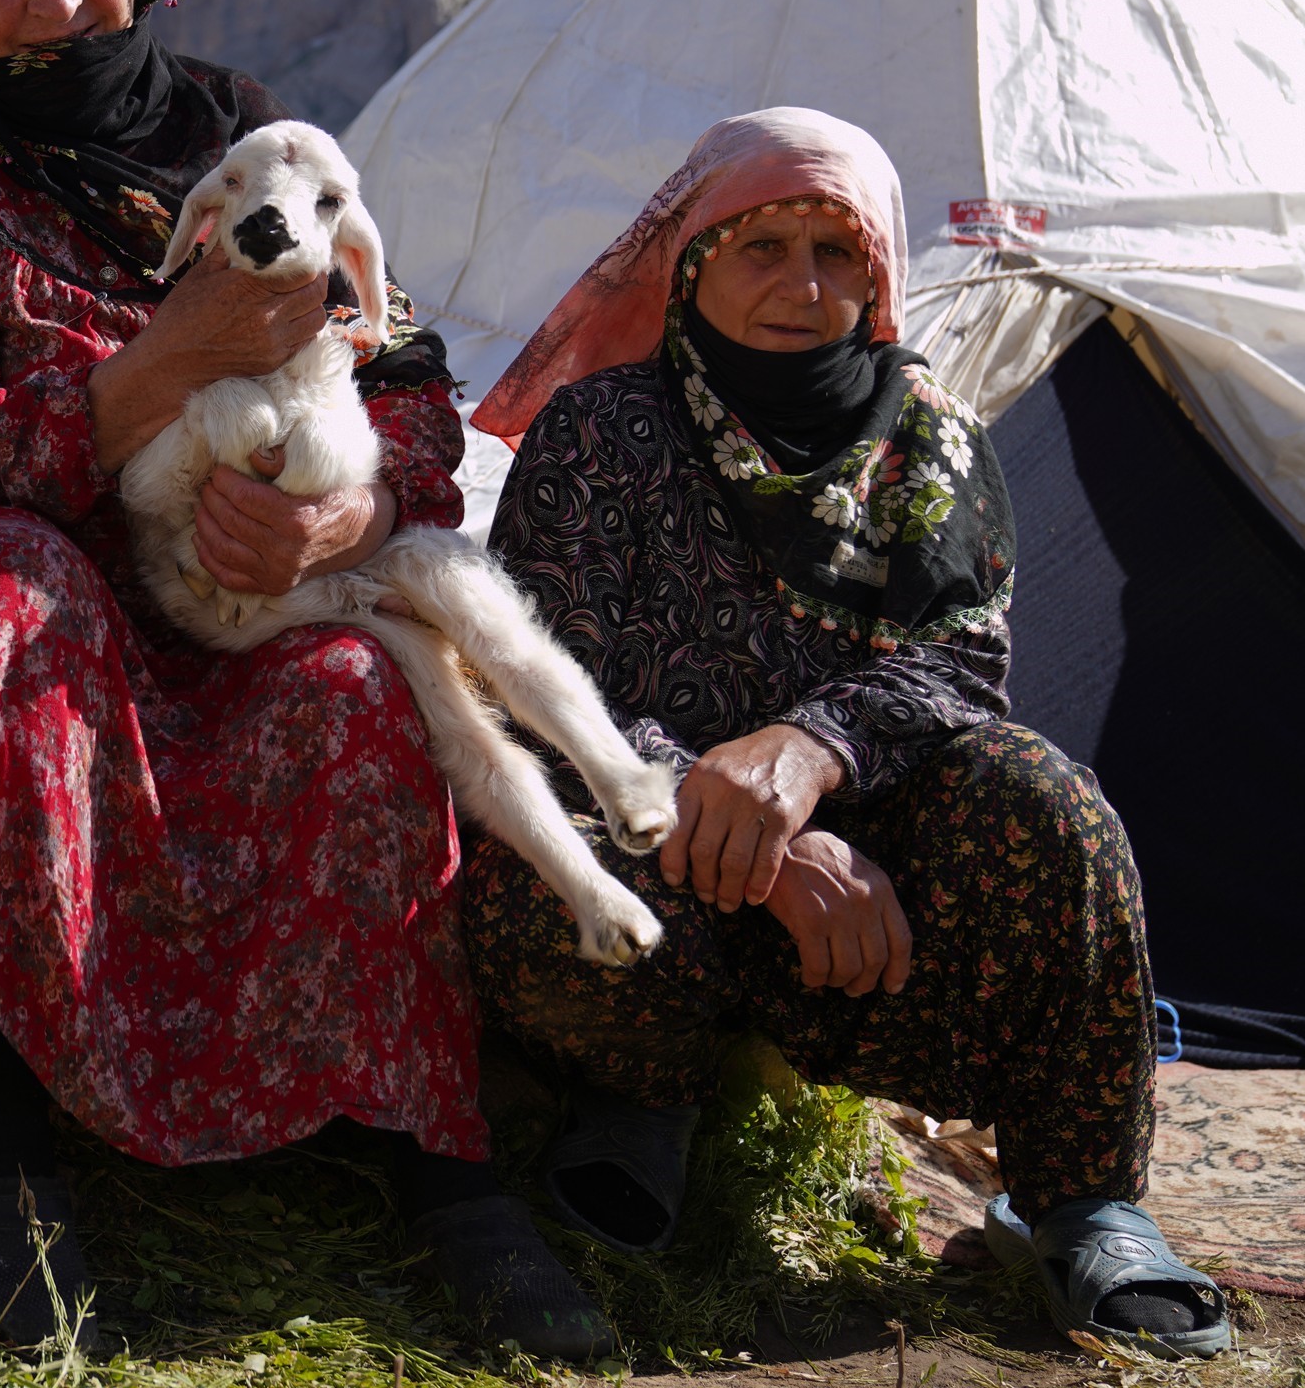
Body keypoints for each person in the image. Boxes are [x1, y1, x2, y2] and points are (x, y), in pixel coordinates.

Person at [0, 0, 607, 1357]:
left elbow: (410, 390)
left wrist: (344, 523)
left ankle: (445, 1173)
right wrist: (165, 369)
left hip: (236, 599)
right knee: (9, 583)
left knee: (362, 684)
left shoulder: (263, 150)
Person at [460, 109, 1232, 1362]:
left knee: (1047, 802)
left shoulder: (927, 437)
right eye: (762, 244)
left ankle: (1082, 1197)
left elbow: (961, 663)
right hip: (666, 834)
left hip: (869, 889)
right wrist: (751, 826)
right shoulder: (605, 431)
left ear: (879, 274)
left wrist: (809, 755)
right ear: (691, 259)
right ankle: (641, 1091)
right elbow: (546, 683)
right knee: (535, 857)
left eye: (838, 251)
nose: (800, 286)